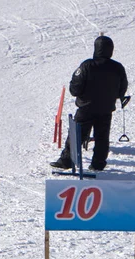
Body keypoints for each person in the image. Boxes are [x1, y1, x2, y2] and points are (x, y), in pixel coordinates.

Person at [50, 35, 128, 171]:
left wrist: (81, 94)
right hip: (106, 109)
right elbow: (123, 88)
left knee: (77, 134)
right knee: (102, 137)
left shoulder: (87, 65)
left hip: (86, 107)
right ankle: (98, 164)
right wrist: (112, 97)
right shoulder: (117, 67)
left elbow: (75, 87)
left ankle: (67, 161)